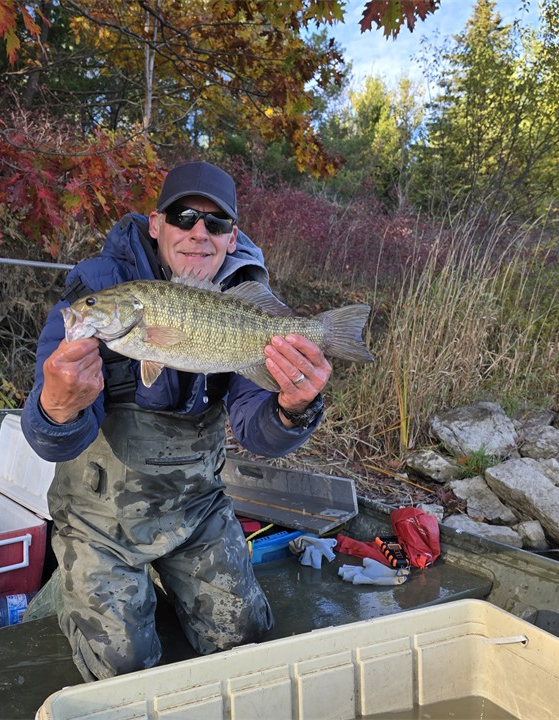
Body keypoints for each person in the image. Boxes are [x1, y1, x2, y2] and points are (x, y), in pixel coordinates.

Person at [20, 160, 332, 682]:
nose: (198, 233)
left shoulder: (241, 296)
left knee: (246, 636)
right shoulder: (97, 286)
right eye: (184, 216)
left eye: (216, 223)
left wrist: (294, 407)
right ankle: (91, 591)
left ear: (232, 238)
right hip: (101, 518)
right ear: (156, 223)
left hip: (196, 506)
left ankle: (170, 588)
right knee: (124, 666)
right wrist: (57, 406)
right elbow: (49, 441)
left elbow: (257, 432)